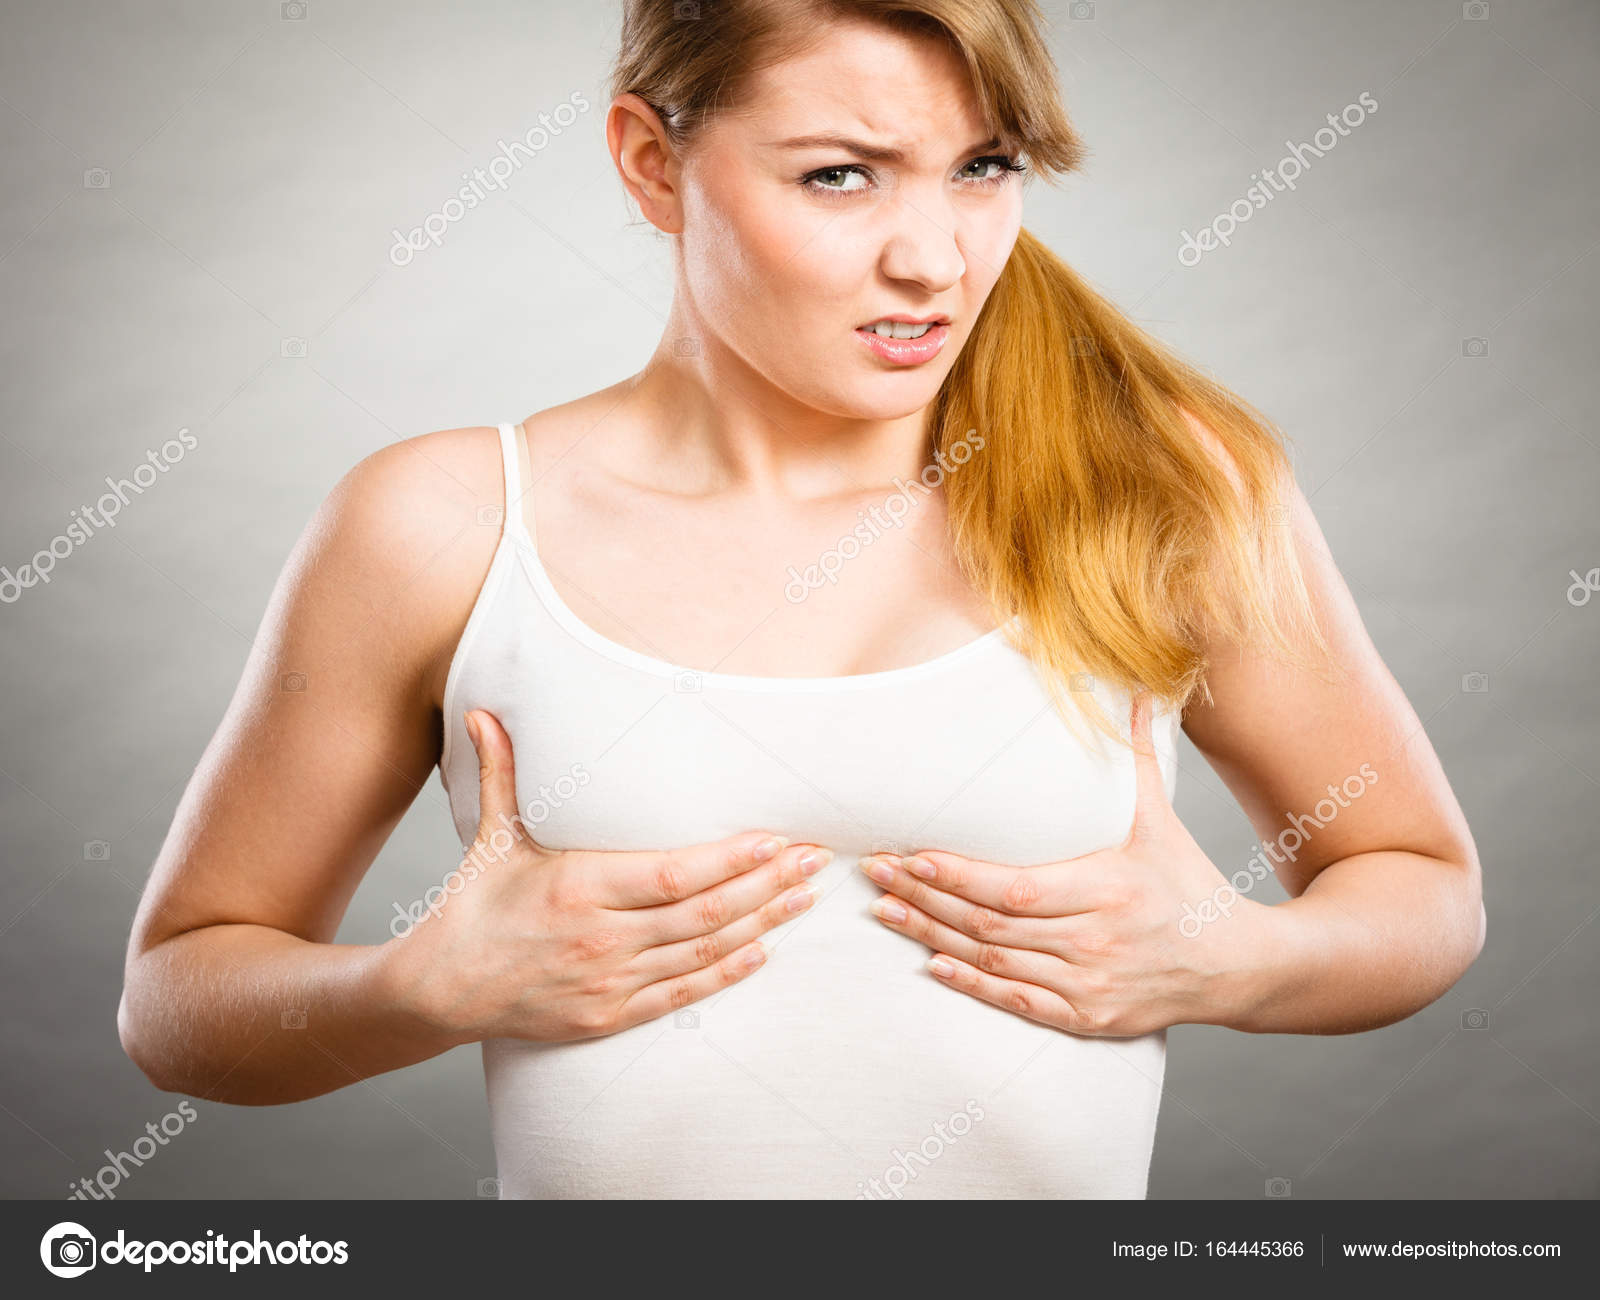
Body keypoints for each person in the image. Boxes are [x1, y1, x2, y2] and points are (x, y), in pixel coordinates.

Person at [119, 0, 1483, 1198]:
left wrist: (1230, 961)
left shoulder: (1162, 483)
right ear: (653, 165)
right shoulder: (445, 522)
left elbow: (1423, 887)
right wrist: (415, 988)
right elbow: (180, 1003)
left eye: (982, 169)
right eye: (841, 176)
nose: (936, 260)